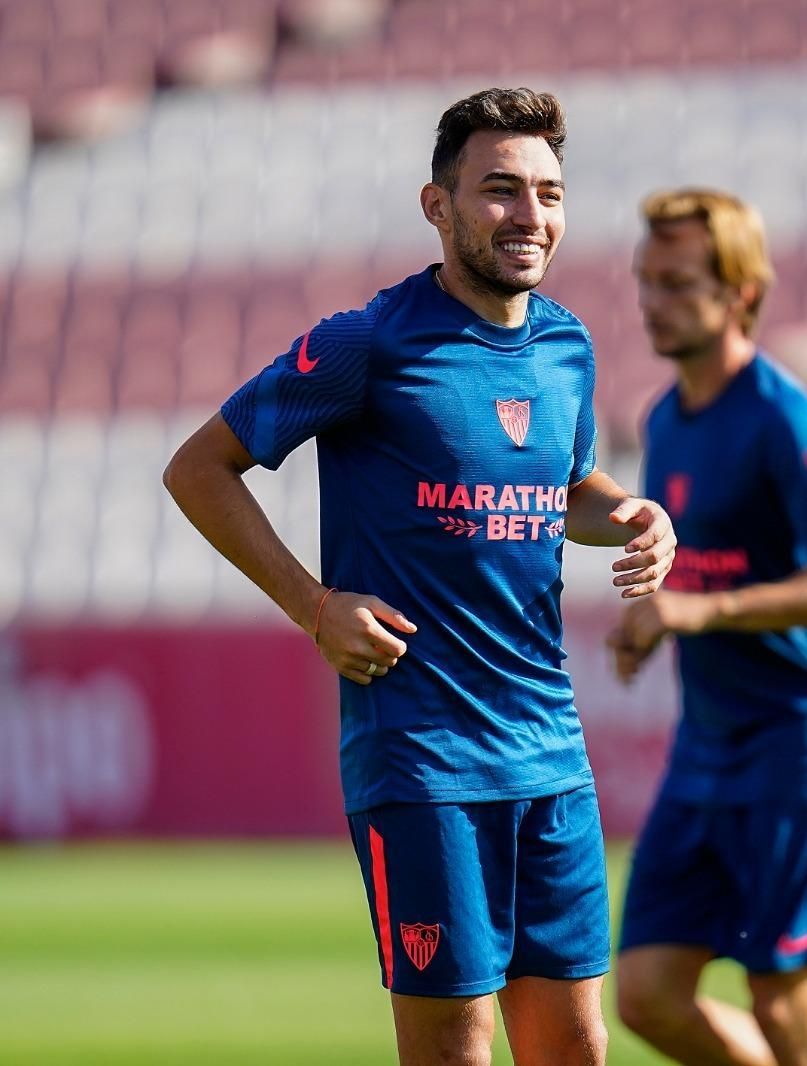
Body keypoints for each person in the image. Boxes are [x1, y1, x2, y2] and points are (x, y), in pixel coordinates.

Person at [163, 88, 677, 1066]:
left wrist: (633, 515)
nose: (530, 215)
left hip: (550, 750)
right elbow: (199, 467)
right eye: (499, 190)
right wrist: (314, 606)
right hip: (423, 758)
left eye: (549, 193)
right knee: (456, 1050)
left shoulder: (565, 345)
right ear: (436, 206)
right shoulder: (368, 342)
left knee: (575, 1044)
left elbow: (563, 488)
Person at [608, 187, 807, 1066]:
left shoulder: (780, 414)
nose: (654, 302)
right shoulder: (663, 420)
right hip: (708, 750)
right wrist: (651, 622)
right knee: (648, 996)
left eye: (678, 283)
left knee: (786, 1008)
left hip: (800, 746)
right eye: (646, 281)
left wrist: (704, 610)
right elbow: (690, 571)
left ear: (741, 294)